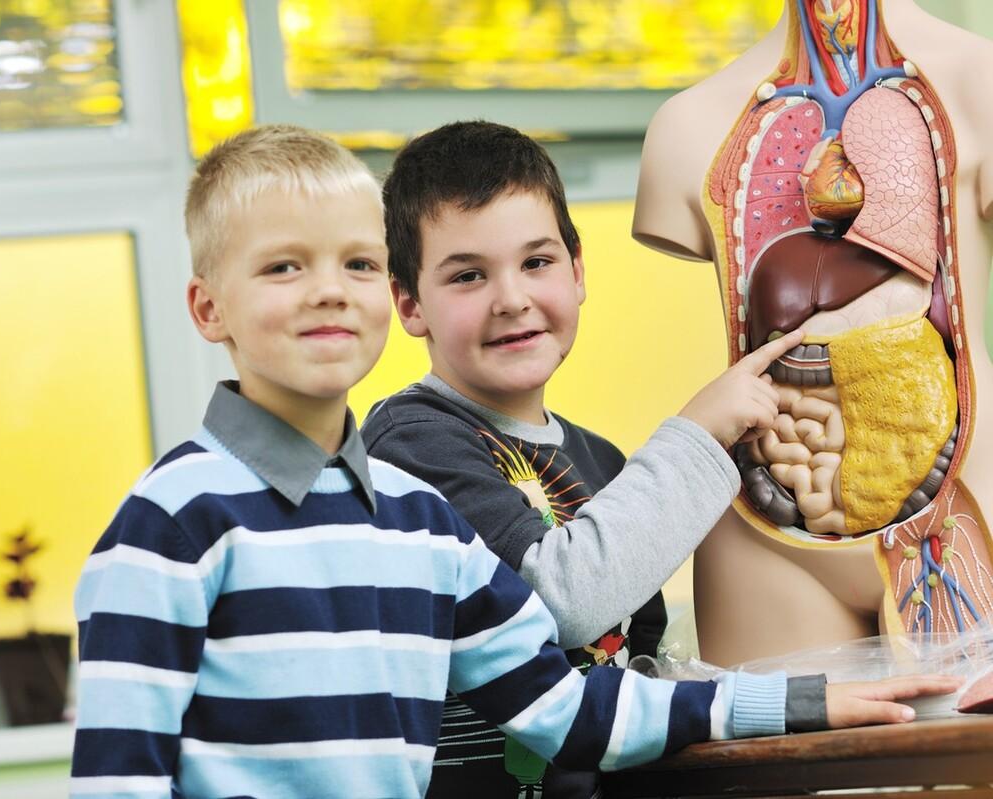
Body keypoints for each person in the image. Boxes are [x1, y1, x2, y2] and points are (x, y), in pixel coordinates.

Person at [69, 124, 961, 799]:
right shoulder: (171, 523)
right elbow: (117, 776)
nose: (328, 290)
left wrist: (810, 701)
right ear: (207, 307)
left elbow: (573, 709)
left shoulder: (419, 523)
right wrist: (700, 434)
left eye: (353, 262)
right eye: (283, 268)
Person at [359, 119, 809, 797]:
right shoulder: (410, 441)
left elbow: (639, 659)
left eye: (535, 262)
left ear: (577, 271)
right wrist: (697, 433)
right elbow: (551, 603)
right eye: (468, 275)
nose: (511, 298)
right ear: (408, 302)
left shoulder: (597, 457)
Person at [631, 0, 993, 665]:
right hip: (763, 529)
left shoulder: (980, 80)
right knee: (786, 771)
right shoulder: (686, 125)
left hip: (965, 501)